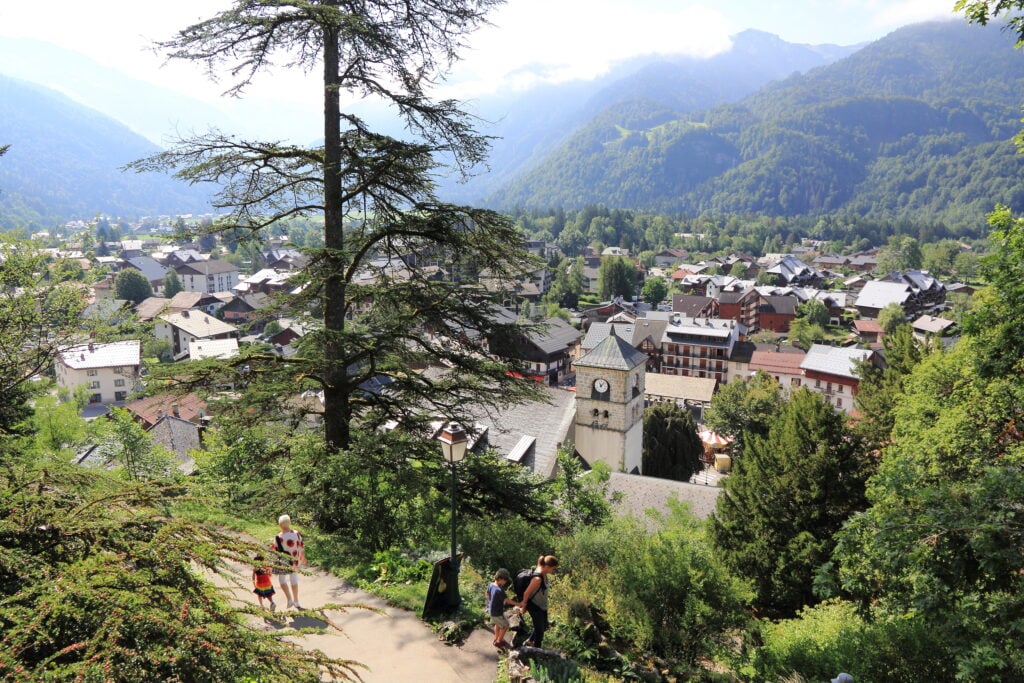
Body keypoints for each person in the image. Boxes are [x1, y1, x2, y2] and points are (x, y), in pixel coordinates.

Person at [518, 555, 558, 648]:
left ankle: (529, 641)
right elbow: (526, 593)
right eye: (554, 569)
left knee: (544, 626)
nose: (554, 571)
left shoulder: (543, 571)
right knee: (540, 632)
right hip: (535, 606)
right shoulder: (537, 579)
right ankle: (536, 651)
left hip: (542, 606)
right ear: (547, 567)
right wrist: (523, 607)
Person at [272, 514, 306, 609]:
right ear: (289, 523)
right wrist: (303, 557)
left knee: (282, 580)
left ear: (280, 525)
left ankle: (289, 599)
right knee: (294, 579)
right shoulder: (296, 533)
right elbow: (301, 546)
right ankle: (296, 601)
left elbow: (274, 550)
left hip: (283, 562)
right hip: (294, 561)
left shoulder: (278, 537)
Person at [485, 568, 515, 650]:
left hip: (492, 610)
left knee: (497, 624)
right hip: (497, 612)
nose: (505, 582)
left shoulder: (491, 585)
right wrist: (519, 604)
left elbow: (487, 594)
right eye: (505, 580)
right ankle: (499, 642)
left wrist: (491, 601)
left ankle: (496, 638)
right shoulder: (500, 590)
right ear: (501, 579)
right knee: (505, 625)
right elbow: (507, 601)